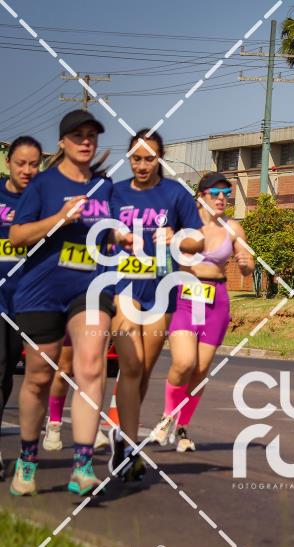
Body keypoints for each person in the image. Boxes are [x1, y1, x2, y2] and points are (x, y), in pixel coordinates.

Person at [9, 110, 117, 497]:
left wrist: (121, 237)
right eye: (77, 135)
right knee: (39, 376)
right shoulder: (42, 184)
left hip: (89, 286)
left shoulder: (106, 187)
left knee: (91, 365)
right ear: (62, 143)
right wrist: (58, 218)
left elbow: (111, 232)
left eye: (91, 135)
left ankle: (82, 465)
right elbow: (18, 235)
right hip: (41, 290)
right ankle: (27, 459)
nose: (86, 141)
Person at [107, 129, 203, 480]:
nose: (142, 165)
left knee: (144, 369)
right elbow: (100, 230)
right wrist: (116, 234)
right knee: (131, 365)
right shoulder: (116, 192)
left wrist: (177, 237)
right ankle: (128, 445)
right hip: (124, 284)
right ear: (129, 158)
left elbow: (198, 239)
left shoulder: (175, 193)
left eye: (149, 158)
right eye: (136, 158)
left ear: (159, 158)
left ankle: (122, 434)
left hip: (161, 289)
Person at [149, 172, 253, 452]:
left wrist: (245, 263)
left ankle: (182, 426)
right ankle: (166, 417)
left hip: (216, 300)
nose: (221, 198)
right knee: (183, 363)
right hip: (185, 295)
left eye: (226, 194)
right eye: (215, 193)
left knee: (201, 369)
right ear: (201, 195)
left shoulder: (233, 228)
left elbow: (248, 265)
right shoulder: (184, 224)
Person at [0, 136, 40, 477]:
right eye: (20, 163)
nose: (27, 170)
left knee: (7, 373)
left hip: (25, 299)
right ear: (8, 163)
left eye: (34, 164)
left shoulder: (43, 200)